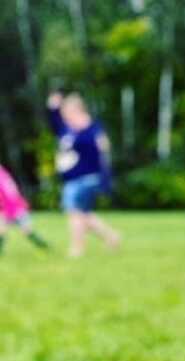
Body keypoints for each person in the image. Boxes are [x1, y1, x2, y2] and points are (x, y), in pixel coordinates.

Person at [46, 92, 120, 258]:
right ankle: (111, 236)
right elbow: (55, 123)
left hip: (86, 177)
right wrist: (53, 107)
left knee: (74, 213)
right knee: (83, 214)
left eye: (66, 111)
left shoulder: (92, 129)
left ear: (76, 110)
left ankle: (77, 248)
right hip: (72, 178)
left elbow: (102, 148)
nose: (64, 115)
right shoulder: (67, 128)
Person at [0, 163, 50, 255]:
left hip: (13, 207)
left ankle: (44, 246)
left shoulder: (3, 175)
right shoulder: (3, 173)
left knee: (26, 230)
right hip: (10, 207)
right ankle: (44, 246)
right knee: (4, 230)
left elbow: (9, 192)